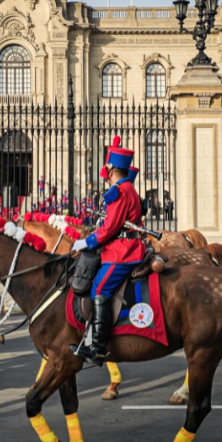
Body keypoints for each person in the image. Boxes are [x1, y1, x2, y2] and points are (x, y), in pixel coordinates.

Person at [69, 136, 145, 366]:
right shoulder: (127, 188)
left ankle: (98, 348)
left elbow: (110, 227)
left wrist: (87, 242)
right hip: (122, 247)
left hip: (123, 252)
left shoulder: (120, 191)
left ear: (110, 169)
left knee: (100, 287)